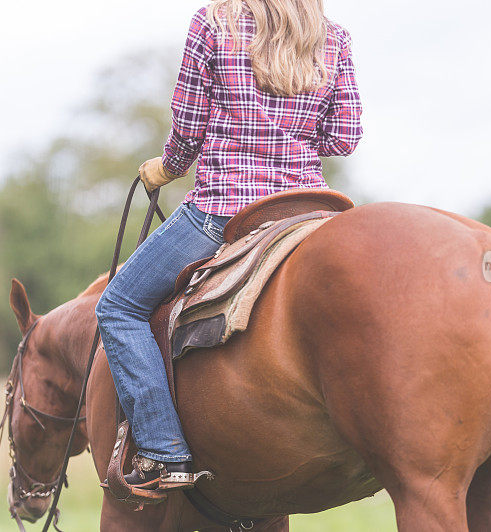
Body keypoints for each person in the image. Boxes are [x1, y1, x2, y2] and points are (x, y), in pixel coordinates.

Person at [95, 0, 362, 492]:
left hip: (225, 209)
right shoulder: (333, 35)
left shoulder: (213, 22)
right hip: (310, 210)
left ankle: (163, 449)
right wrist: (288, 136)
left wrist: (167, 168)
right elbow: (344, 137)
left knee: (118, 307)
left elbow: (189, 127)